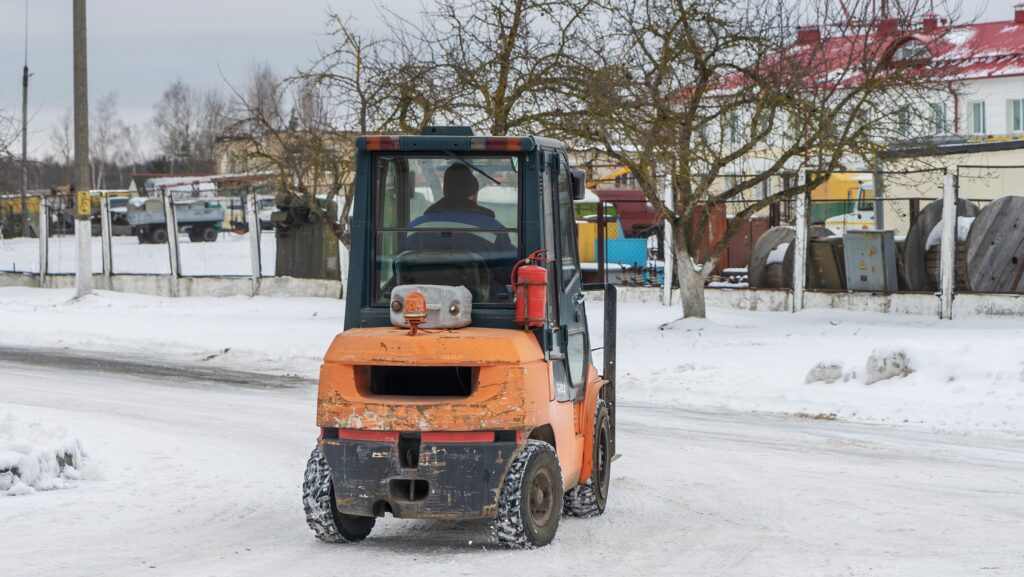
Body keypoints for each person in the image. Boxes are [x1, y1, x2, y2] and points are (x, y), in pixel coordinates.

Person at [400, 163, 517, 299]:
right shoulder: (493, 231)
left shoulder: (412, 229)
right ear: (474, 195)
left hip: (421, 309)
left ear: (445, 193)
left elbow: (400, 269)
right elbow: (510, 272)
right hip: (483, 309)